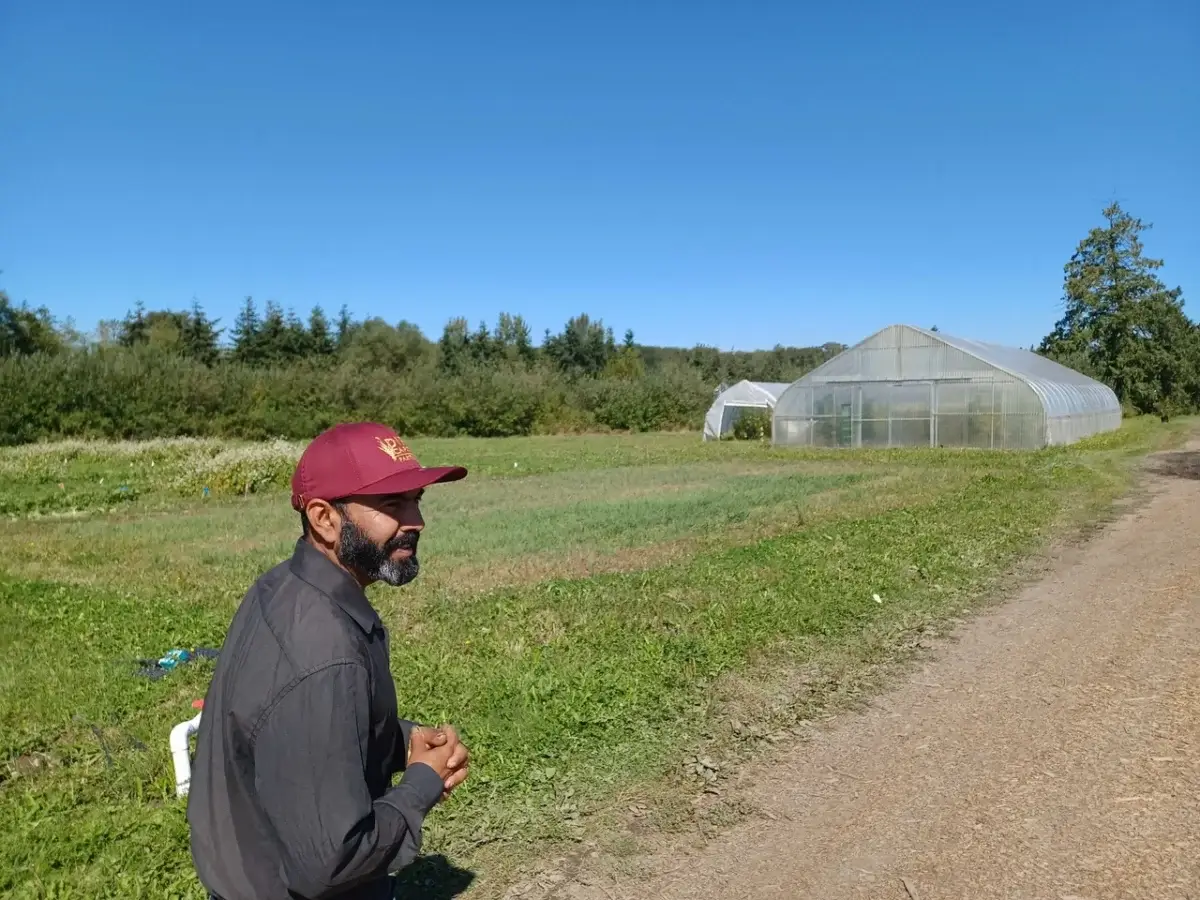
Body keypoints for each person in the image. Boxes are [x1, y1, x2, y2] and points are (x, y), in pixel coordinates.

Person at [187, 422, 471, 900]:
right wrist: (423, 782)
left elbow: (289, 732)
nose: (416, 520)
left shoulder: (283, 587)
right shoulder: (325, 653)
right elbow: (334, 863)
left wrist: (398, 741)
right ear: (323, 517)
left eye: (416, 499)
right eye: (391, 504)